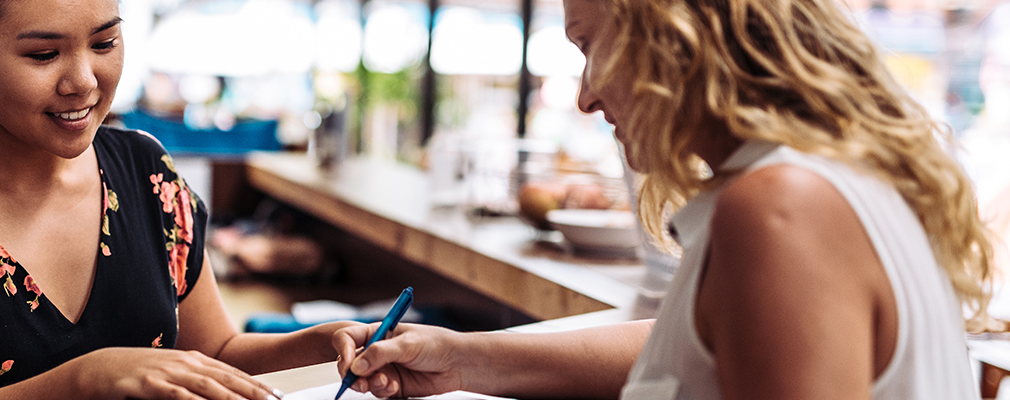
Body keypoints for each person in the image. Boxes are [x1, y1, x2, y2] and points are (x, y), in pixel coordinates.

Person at [332, 0, 997, 399]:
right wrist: (464, 359)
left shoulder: (779, 212)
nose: (585, 96)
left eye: (589, 45)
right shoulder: (834, 178)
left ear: (677, 27)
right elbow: (699, 351)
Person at [0, 0, 355, 398]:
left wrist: (336, 342)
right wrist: (86, 380)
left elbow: (214, 356)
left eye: (104, 44)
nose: (83, 81)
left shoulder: (147, 173)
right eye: (43, 54)